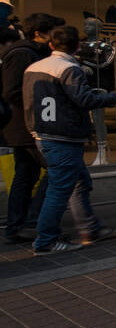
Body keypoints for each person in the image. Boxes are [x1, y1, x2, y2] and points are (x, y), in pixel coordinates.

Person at [23, 25, 116, 254]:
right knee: (60, 190)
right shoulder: (70, 69)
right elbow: (86, 100)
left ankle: (89, 229)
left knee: (78, 184)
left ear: (51, 45)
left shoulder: (33, 67)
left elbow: (29, 103)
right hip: (63, 137)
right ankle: (46, 240)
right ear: (78, 46)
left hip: (44, 134)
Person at [3, 13, 64, 243]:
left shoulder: (29, 53)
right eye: (54, 33)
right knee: (57, 170)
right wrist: (40, 106)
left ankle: (17, 225)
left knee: (26, 174)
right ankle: (30, 221)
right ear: (38, 33)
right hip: (27, 126)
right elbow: (12, 91)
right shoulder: (23, 55)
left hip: (25, 125)